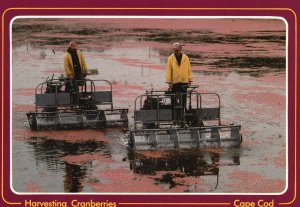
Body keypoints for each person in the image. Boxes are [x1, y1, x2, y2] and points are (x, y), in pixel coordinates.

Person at [165, 42, 193, 110]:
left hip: (184, 81)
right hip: (174, 81)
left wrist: (190, 80)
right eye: (174, 50)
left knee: (184, 97)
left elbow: (189, 69)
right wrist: (169, 82)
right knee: (174, 98)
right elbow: (168, 70)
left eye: (177, 50)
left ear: (180, 49)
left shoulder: (186, 57)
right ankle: (174, 111)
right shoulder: (170, 58)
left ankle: (183, 110)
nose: (176, 51)